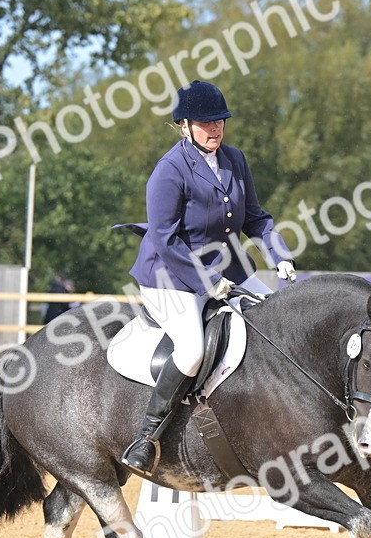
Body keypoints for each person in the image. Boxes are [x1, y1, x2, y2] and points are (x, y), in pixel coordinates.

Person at [121, 80, 295, 477]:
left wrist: (279, 255)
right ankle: (147, 437)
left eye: (220, 121)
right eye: (206, 123)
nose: (215, 128)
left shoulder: (235, 159)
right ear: (184, 125)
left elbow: (256, 217)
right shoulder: (169, 170)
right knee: (193, 349)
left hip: (229, 267)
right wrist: (205, 281)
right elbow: (164, 239)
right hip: (170, 276)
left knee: (276, 322)